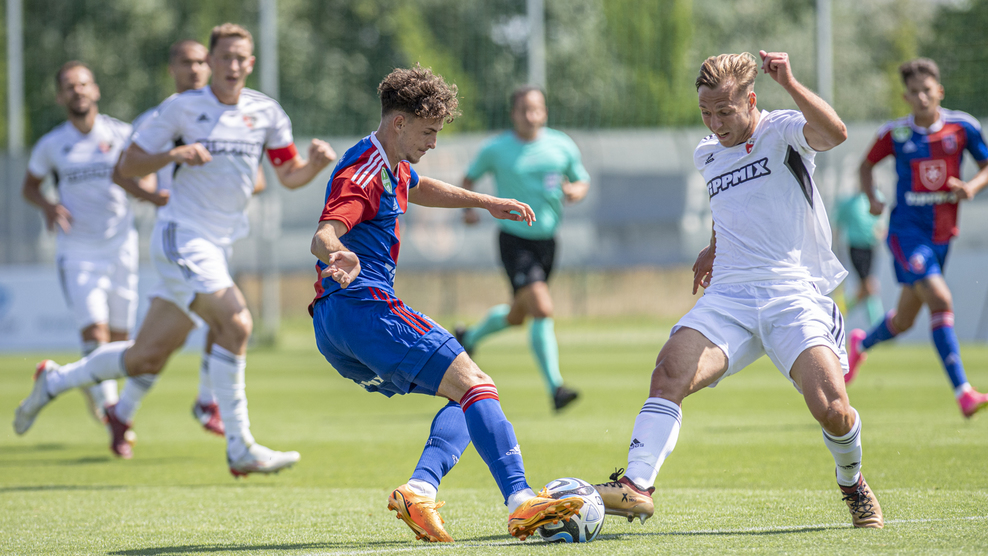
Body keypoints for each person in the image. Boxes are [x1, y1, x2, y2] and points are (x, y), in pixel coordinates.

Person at [14, 23, 337, 476]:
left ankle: (56, 379)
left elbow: (287, 175)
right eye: (223, 57)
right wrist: (173, 156)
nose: (231, 66)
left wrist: (315, 166)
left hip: (216, 245)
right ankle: (238, 445)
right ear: (212, 61)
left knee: (144, 356)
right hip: (181, 237)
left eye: (240, 58)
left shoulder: (266, 112)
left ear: (250, 63)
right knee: (236, 322)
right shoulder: (180, 109)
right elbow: (126, 166)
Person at [592, 51, 883, 529]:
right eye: (705, 112)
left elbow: (835, 134)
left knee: (833, 409)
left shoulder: (782, 130)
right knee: (669, 372)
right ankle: (637, 485)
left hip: (792, 294)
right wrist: (713, 247)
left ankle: (851, 482)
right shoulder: (706, 152)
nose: (715, 123)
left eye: (724, 111)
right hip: (729, 296)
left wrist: (790, 83)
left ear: (750, 101)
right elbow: (727, 205)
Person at [309, 65, 583, 543]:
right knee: (478, 384)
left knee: (466, 396)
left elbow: (418, 186)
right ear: (399, 123)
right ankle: (521, 501)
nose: (434, 142)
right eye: (428, 131)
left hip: (334, 326)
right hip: (364, 306)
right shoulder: (364, 170)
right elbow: (324, 234)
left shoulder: (388, 161)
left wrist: (485, 202)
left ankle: (419, 490)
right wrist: (338, 252)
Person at [114, 39, 267, 438]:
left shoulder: (231, 116)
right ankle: (207, 404)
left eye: (200, 62)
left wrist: (226, 184)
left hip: (215, 237)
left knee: (168, 342)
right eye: (187, 62)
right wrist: (155, 194)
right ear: (172, 69)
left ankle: (122, 409)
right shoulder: (159, 116)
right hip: (177, 238)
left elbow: (258, 180)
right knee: (216, 323)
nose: (195, 69)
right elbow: (124, 170)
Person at [21, 61, 163, 434]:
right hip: (78, 251)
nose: (78, 91)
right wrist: (48, 205)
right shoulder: (52, 144)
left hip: (120, 247)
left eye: (83, 84)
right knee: (95, 334)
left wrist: (147, 188)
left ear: (95, 90)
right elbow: (29, 187)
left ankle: (82, 381)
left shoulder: (120, 133)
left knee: (121, 341)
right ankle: (112, 414)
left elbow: (145, 168)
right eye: (69, 86)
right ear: (60, 97)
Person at [847, 58, 988, 417]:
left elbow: (986, 166)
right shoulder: (895, 134)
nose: (922, 97)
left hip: (943, 236)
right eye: (914, 92)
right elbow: (865, 166)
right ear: (905, 97)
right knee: (940, 299)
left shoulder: (962, 128)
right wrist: (872, 198)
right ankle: (964, 392)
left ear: (939, 91)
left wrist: (971, 187)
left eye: (927, 90)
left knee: (905, 320)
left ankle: (861, 344)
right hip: (906, 234)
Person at [455, 86, 589, 412]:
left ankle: (468, 338)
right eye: (524, 110)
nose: (531, 116)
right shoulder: (496, 149)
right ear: (513, 114)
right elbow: (468, 179)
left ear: (545, 112)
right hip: (515, 240)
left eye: (536, 109)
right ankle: (556, 388)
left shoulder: (561, 145)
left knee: (518, 315)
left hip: (548, 242)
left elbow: (581, 180)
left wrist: (575, 191)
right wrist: (469, 210)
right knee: (542, 307)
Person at [834, 191, 884, 327]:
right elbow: (838, 226)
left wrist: (880, 232)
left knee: (865, 289)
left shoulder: (878, 197)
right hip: (856, 248)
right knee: (870, 286)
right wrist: (837, 253)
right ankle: (878, 326)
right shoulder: (849, 203)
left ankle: (838, 313)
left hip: (871, 248)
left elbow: (881, 224)